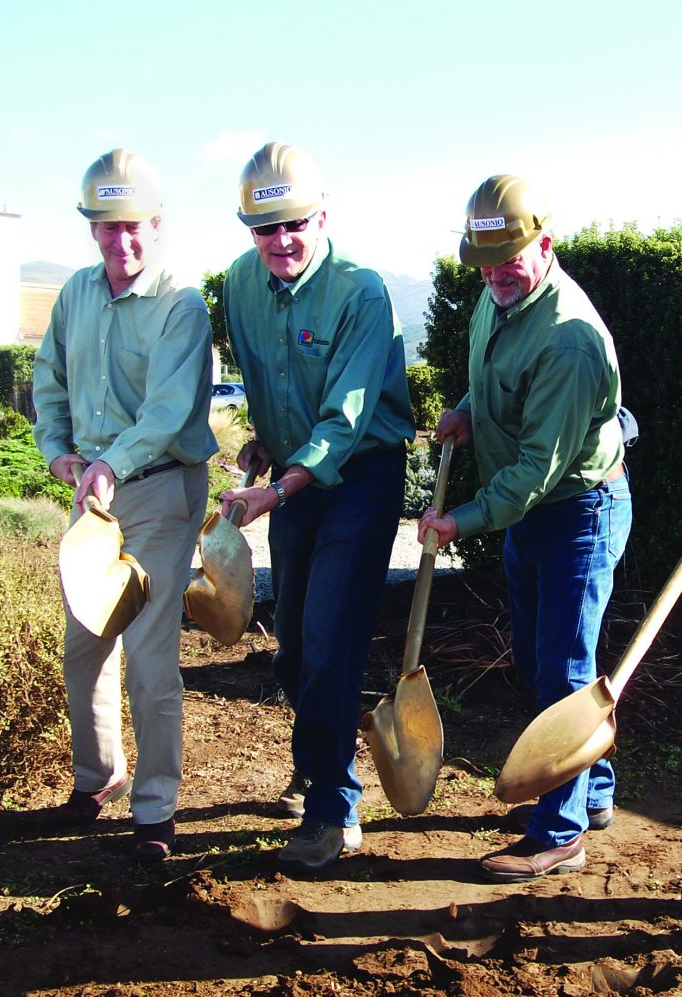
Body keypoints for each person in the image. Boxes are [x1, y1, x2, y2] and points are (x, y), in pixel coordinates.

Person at [419, 175, 632, 882]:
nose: (498, 273)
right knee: (550, 664)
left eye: (512, 256)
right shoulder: (497, 296)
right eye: (485, 262)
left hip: (576, 514)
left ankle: (560, 832)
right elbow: (495, 383)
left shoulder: (569, 340)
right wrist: (465, 410)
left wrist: (459, 521)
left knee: (565, 677)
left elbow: (538, 468)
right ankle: (591, 792)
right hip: (532, 515)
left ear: (545, 242)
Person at [219, 142, 415, 874]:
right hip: (293, 472)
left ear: (321, 213)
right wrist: (262, 444)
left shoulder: (361, 291)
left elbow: (345, 418)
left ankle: (334, 808)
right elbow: (258, 375)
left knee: (332, 636)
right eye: (264, 229)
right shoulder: (240, 283)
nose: (282, 241)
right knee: (295, 643)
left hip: (358, 476)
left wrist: (278, 487)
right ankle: (318, 756)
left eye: (294, 223)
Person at [33, 149, 216, 862]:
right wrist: (60, 454)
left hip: (160, 492)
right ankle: (98, 777)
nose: (122, 242)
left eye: (134, 226)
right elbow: (48, 381)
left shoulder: (181, 303)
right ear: (92, 230)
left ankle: (155, 809)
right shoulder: (75, 294)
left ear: (157, 223)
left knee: (147, 658)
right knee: (85, 650)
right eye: (108, 229)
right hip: (95, 500)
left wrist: (110, 463)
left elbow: (170, 412)